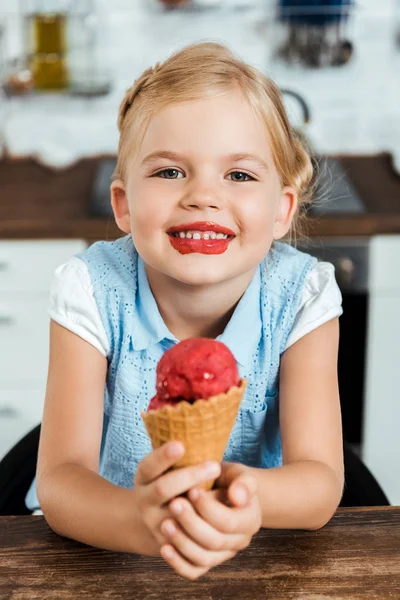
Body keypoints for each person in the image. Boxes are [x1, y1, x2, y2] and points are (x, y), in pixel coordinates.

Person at [26, 41, 344, 580]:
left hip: (254, 559)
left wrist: (243, 500)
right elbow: (60, 483)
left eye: (239, 176)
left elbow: (319, 485)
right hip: (108, 553)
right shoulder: (90, 290)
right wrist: (145, 521)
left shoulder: (303, 297)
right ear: (124, 205)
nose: (203, 196)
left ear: (281, 210)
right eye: (171, 172)